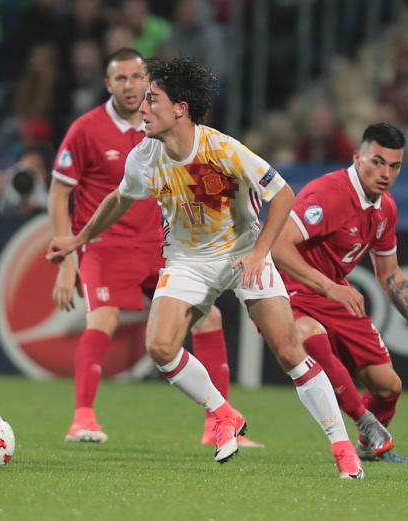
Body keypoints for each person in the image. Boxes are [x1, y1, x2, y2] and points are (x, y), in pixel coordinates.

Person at [48, 55, 364, 479]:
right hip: (188, 260)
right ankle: (223, 413)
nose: (142, 107)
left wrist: (257, 254)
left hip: (243, 252)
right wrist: (78, 239)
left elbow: (283, 195)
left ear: (180, 108)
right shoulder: (144, 155)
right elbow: (119, 199)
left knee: (290, 351)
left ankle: (343, 448)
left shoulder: (222, 149)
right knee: (160, 347)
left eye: (152, 100)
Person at [47, 48, 261, 449]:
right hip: (107, 246)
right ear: (108, 84)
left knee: (210, 319)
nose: (131, 86)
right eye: (121, 78)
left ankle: (218, 422)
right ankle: (82, 418)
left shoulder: (163, 128)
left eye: (137, 78)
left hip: (158, 246)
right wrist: (69, 257)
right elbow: (61, 193)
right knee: (104, 319)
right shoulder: (86, 129)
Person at [270, 123, 408, 463]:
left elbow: (389, 275)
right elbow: (279, 247)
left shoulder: (386, 209)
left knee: (389, 387)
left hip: (334, 294)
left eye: (395, 166)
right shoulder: (327, 194)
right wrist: (329, 286)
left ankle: (368, 448)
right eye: (377, 161)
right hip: (290, 289)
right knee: (310, 336)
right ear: (357, 157)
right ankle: (365, 422)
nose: (385, 173)